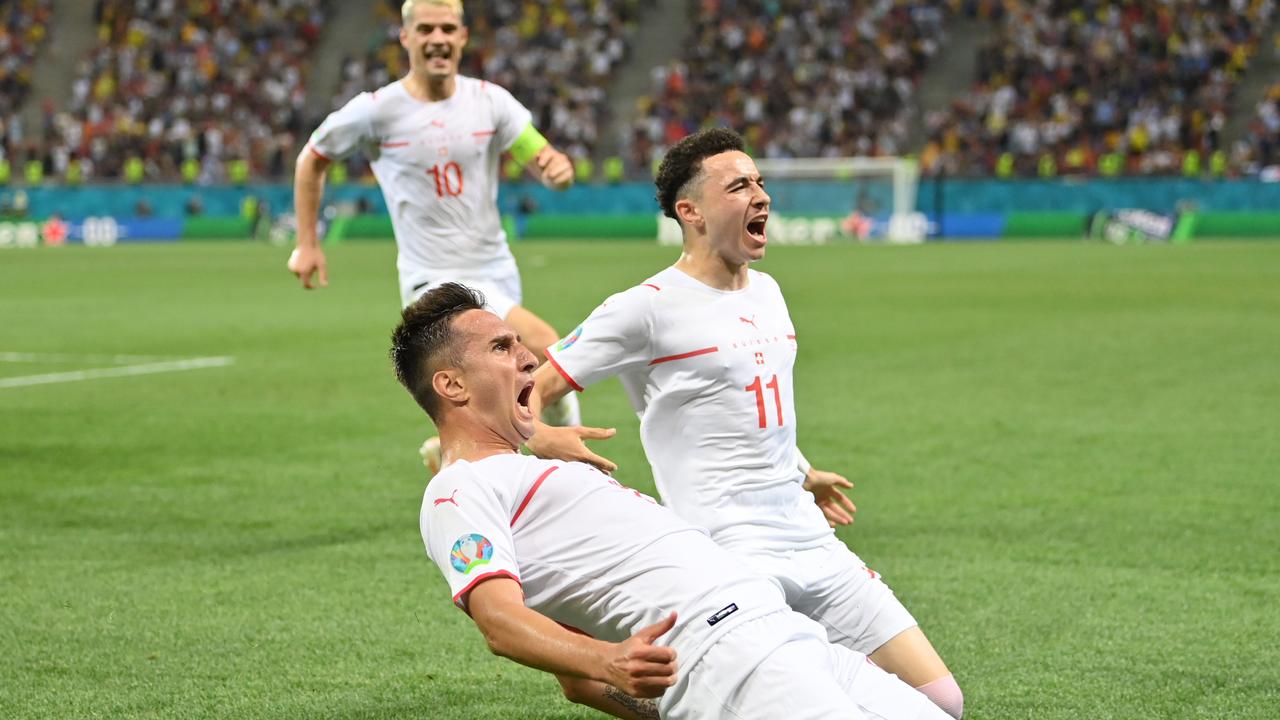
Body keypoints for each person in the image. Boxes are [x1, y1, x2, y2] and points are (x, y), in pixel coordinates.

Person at [527, 129, 964, 718]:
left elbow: (754, 407)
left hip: (809, 536)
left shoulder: (770, 292)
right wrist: (540, 434)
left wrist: (803, 471)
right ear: (692, 212)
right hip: (729, 550)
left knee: (942, 700)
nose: (760, 195)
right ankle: (604, 688)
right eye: (739, 185)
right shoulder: (645, 307)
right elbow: (530, 391)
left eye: (759, 182)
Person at [392, 282, 951, 720]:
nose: (529, 358)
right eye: (502, 347)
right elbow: (500, 622)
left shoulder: (532, 472)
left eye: (520, 344)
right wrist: (608, 660)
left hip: (780, 630)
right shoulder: (457, 489)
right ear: (452, 386)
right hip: (728, 649)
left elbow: (577, 686)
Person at [287, 0, 582, 464]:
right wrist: (307, 242)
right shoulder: (377, 111)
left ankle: (456, 459)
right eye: (425, 29)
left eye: (447, 28)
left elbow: (538, 154)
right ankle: (567, 468)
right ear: (406, 38)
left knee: (509, 386)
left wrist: (555, 170)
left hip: (497, 270)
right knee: (547, 350)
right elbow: (313, 158)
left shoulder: (490, 101)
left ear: (463, 36)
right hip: (434, 280)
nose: (437, 38)